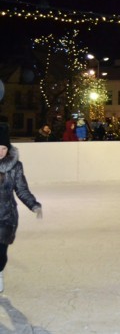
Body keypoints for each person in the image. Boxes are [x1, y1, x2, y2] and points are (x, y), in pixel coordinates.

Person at [0, 125, 43, 293]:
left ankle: (0, 273)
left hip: (6, 217)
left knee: (0, 253)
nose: (1, 152)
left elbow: (21, 189)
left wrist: (33, 204)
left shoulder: (15, 166)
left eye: (4, 148)